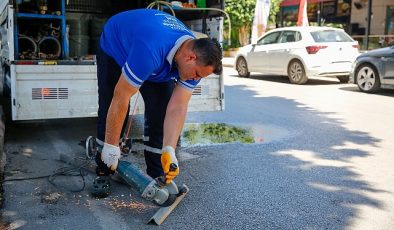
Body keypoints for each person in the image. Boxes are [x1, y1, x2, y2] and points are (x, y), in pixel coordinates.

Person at [92, 8, 222, 197]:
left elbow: (178, 106)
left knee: (161, 111)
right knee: (109, 104)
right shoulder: (150, 49)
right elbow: (121, 97)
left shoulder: (193, 60)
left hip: (155, 55)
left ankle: (157, 174)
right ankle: (105, 168)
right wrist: (111, 147)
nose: (195, 79)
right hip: (116, 47)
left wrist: (169, 149)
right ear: (190, 57)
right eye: (197, 74)